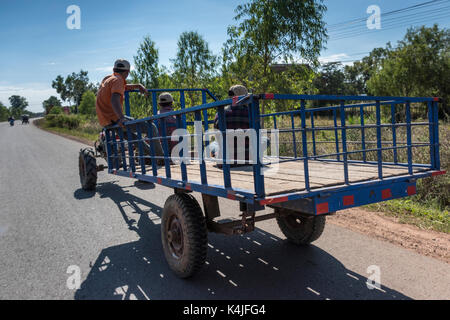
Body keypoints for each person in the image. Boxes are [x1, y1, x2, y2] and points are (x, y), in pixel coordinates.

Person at [95, 59, 163, 165]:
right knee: (151, 127)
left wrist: (137, 85)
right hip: (115, 119)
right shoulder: (118, 80)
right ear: (127, 72)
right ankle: (162, 158)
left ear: (114, 69)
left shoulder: (108, 80)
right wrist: (121, 118)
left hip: (106, 121)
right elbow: (114, 99)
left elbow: (122, 87)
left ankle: (157, 157)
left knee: (136, 139)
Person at [211, 85, 251, 167]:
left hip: (225, 160)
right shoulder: (252, 113)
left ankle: (218, 154)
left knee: (213, 144)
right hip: (248, 159)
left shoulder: (219, 114)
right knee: (265, 139)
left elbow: (217, 136)